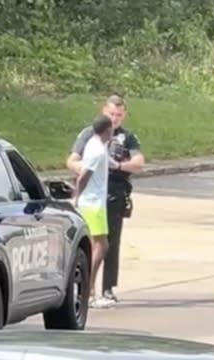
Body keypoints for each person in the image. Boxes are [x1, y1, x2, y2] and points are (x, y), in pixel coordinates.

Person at [67, 94, 145, 306]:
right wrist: (83, 170)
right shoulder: (89, 135)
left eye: (119, 115)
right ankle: (87, 289)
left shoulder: (127, 137)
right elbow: (73, 161)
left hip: (115, 194)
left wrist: (119, 166)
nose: (115, 118)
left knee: (111, 243)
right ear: (104, 111)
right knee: (96, 243)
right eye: (111, 114)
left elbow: (139, 162)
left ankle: (107, 288)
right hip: (94, 196)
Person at [73, 115, 113, 308]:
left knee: (99, 244)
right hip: (92, 203)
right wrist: (77, 197)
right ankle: (89, 290)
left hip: (95, 202)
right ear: (107, 130)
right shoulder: (97, 150)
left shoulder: (96, 144)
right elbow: (84, 176)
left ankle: (89, 289)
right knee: (101, 245)